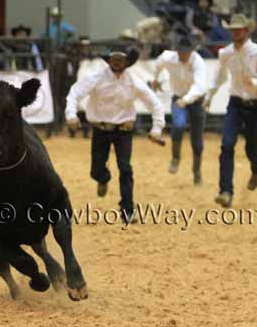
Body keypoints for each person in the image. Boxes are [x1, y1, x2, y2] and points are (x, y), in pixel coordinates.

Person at [65, 45, 165, 223]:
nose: (117, 62)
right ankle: (103, 178)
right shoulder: (96, 78)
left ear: (127, 62)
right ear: (109, 60)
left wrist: (157, 128)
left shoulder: (134, 82)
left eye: (121, 59)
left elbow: (154, 103)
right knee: (96, 170)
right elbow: (74, 93)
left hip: (124, 130)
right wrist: (71, 115)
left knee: (125, 168)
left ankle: (128, 210)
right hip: (100, 129)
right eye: (114, 58)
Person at [206, 14, 257, 208]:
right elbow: (220, 75)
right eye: (233, 29)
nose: (235, 32)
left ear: (246, 31)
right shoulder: (226, 53)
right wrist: (210, 95)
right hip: (236, 103)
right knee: (227, 144)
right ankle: (225, 191)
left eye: (239, 29)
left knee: (252, 148)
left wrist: (255, 82)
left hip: (256, 105)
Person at [152, 34, 207, 185]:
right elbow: (158, 64)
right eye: (180, 51)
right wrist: (155, 79)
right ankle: (175, 158)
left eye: (185, 52)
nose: (182, 54)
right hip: (178, 98)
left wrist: (187, 99)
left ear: (191, 51)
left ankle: (197, 171)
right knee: (178, 125)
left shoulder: (198, 62)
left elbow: (200, 86)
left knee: (197, 140)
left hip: (196, 100)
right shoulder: (168, 57)